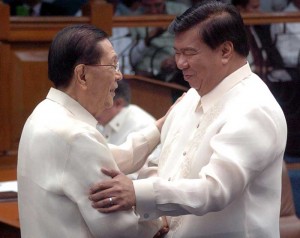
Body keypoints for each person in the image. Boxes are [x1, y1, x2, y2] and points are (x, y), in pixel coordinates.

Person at [89, 1, 287, 237]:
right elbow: (163, 168)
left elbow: (215, 189)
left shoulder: (254, 108)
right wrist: (155, 212)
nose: (180, 63)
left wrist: (137, 192)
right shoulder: (191, 97)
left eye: (189, 53)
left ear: (225, 51)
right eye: (177, 52)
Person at [17, 24, 169, 238]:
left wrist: (161, 126)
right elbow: (121, 229)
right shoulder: (76, 136)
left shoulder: (43, 113)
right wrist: (160, 220)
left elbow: (115, 158)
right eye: (113, 65)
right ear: (82, 75)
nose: (119, 76)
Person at [96, 79, 157, 179]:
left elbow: (144, 174)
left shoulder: (143, 125)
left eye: (98, 102)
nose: (91, 108)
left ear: (118, 103)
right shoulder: (100, 121)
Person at [129, 0, 189, 78]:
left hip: (182, 67)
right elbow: (133, 57)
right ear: (140, 3)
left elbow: (194, 39)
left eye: (157, 5)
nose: (153, 11)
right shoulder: (132, 19)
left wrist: (177, 57)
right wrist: (148, 39)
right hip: (150, 72)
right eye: (147, 6)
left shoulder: (181, 11)